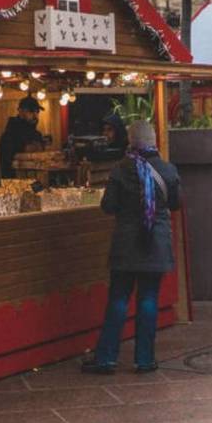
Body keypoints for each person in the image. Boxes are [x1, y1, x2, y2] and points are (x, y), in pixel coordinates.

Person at [82, 120, 180, 374]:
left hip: (126, 246)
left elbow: (108, 206)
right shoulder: (168, 171)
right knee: (148, 300)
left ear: (130, 141)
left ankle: (106, 359)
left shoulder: (120, 170)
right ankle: (144, 359)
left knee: (118, 300)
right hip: (155, 244)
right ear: (154, 140)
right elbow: (176, 203)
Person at [0, 96, 45, 178]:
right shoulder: (10, 135)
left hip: (37, 184)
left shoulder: (37, 134)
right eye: (31, 111)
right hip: (16, 185)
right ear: (20, 111)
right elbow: (7, 165)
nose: (35, 115)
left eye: (37, 112)